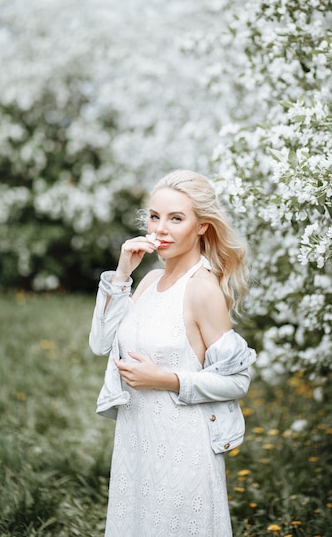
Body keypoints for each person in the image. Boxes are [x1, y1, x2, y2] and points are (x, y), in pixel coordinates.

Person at [89, 169, 256, 537]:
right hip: (137, 445)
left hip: (183, 452)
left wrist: (165, 379)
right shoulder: (148, 281)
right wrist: (121, 274)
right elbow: (102, 344)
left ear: (202, 227)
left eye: (176, 218)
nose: (160, 228)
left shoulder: (202, 289)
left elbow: (238, 379)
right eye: (154, 216)